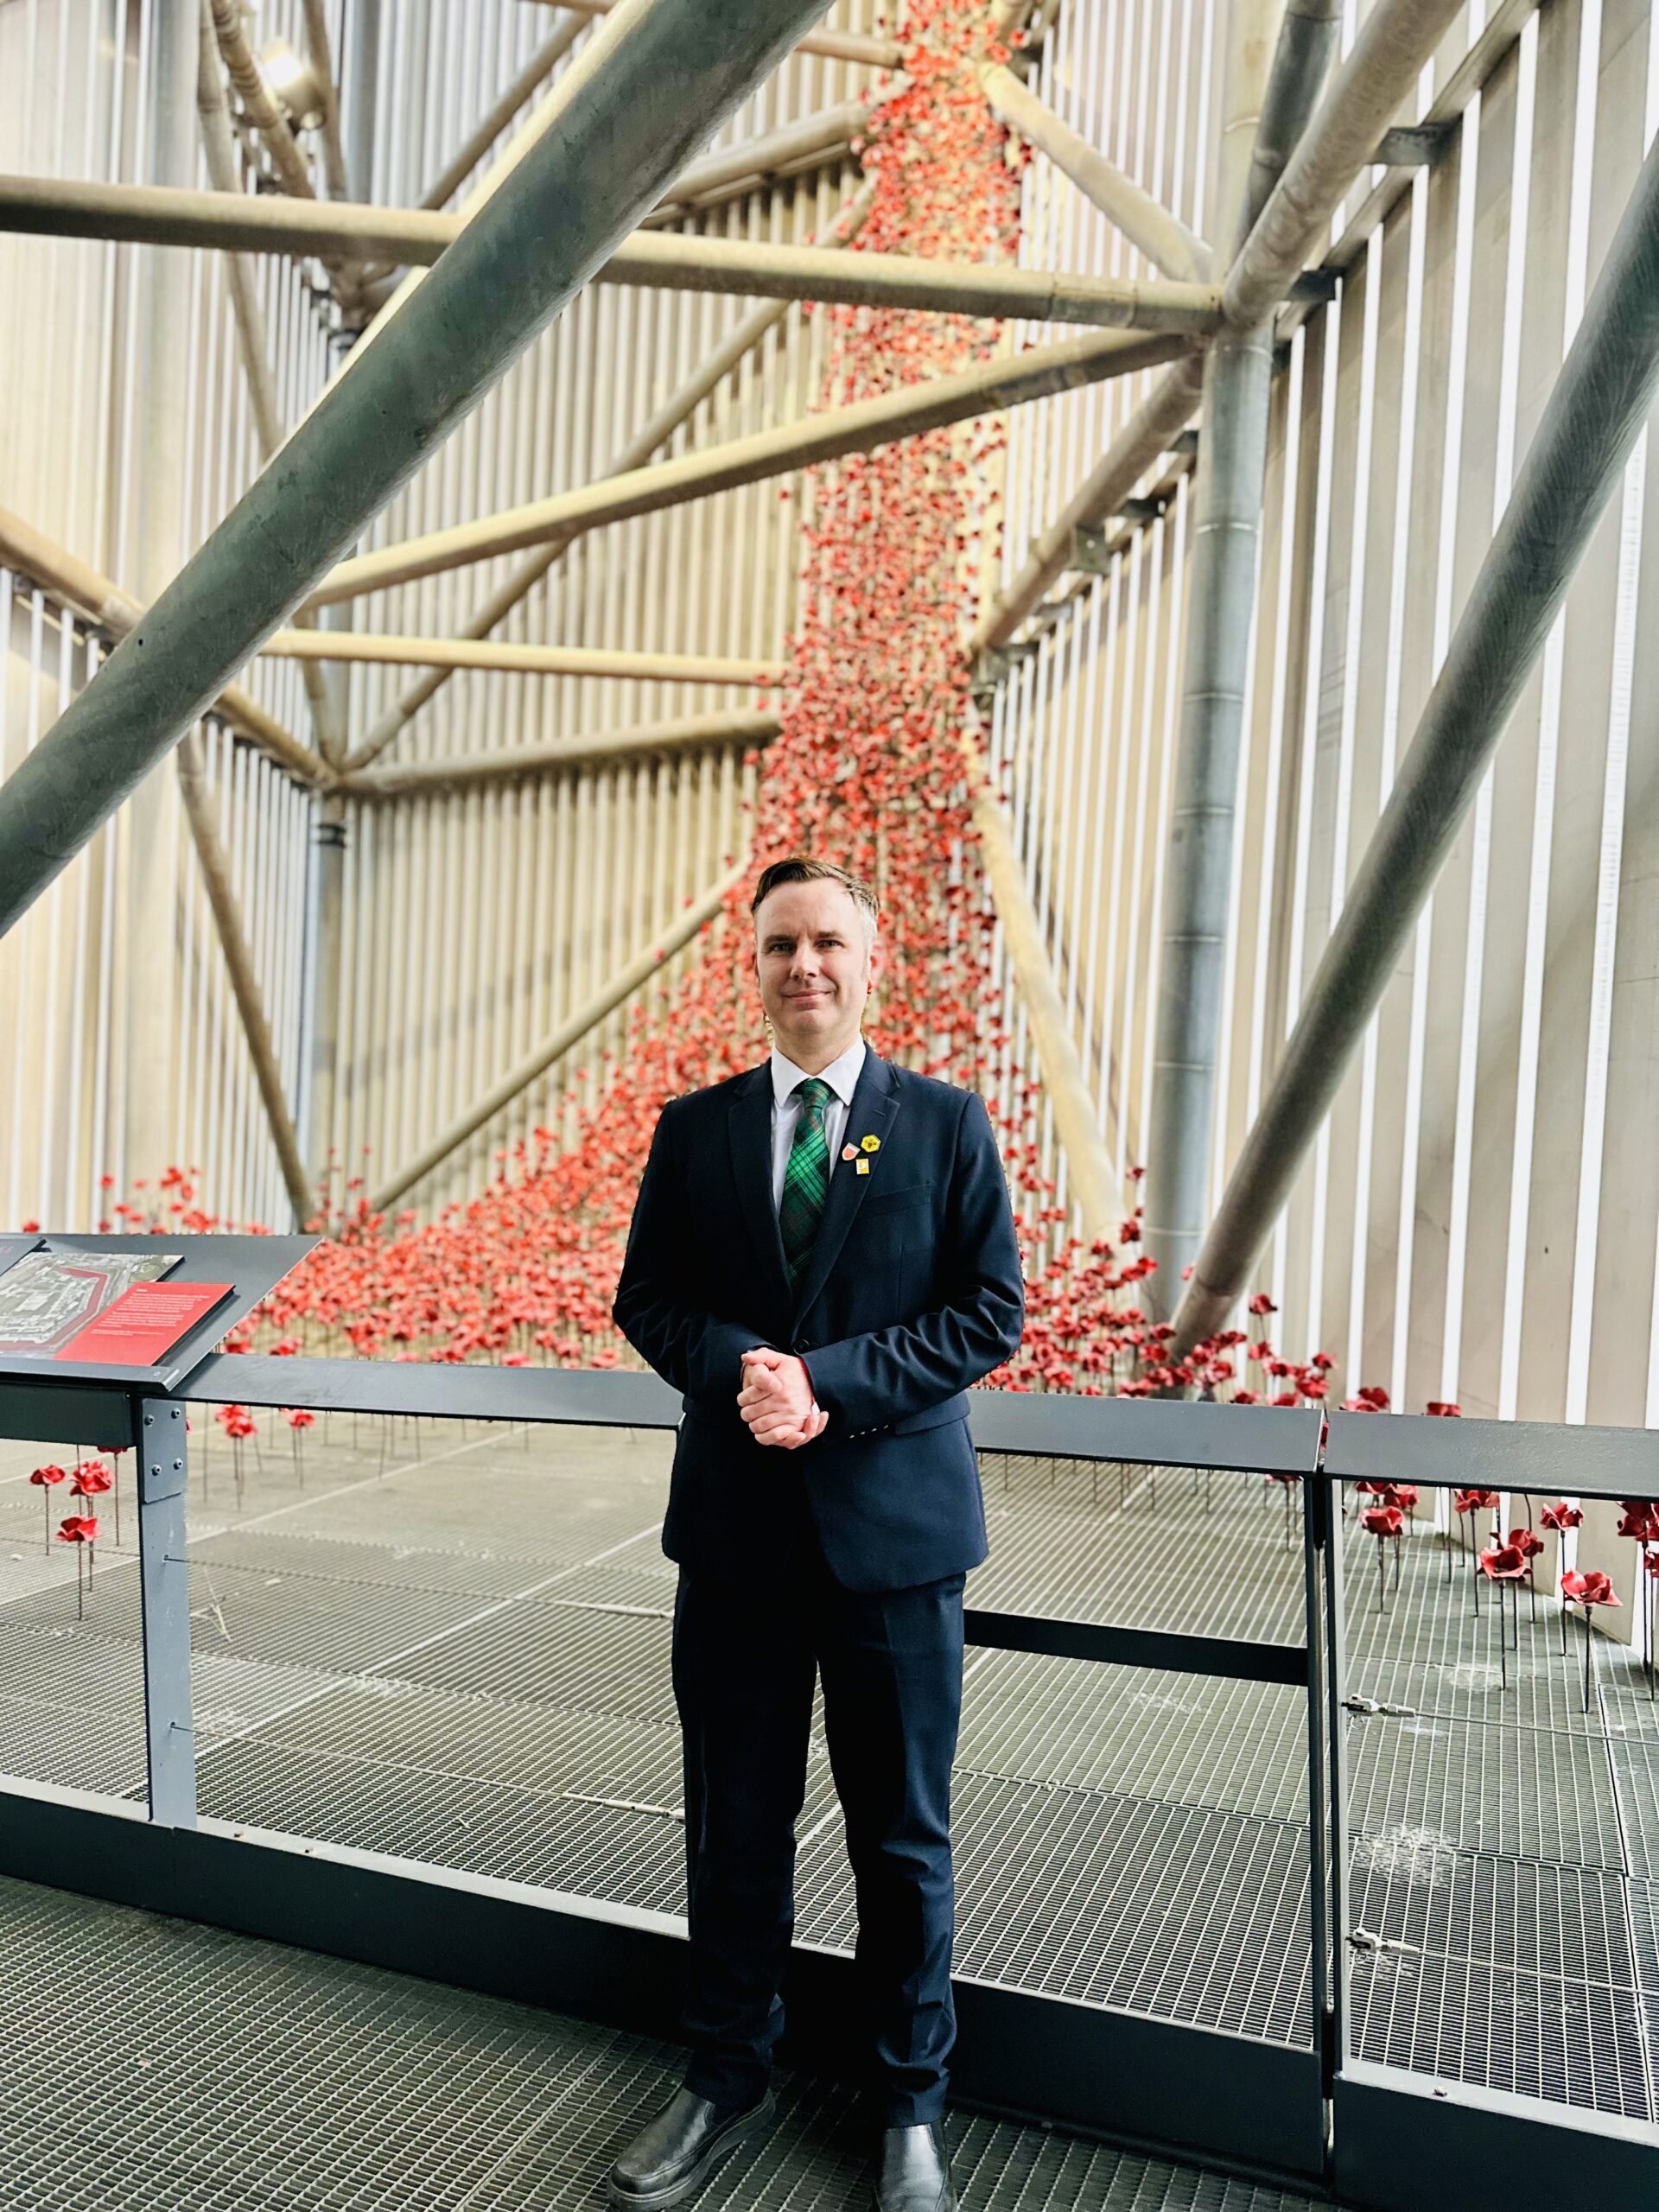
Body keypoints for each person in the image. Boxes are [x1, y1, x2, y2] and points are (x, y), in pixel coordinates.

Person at [607, 856, 1024, 2212]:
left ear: (871, 959)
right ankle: (722, 2077)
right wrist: (744, 1366)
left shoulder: (948, 1125)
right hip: (736, 1545)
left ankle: (910, 2105)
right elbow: (649, 1300)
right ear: (755, 965)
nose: (806, 967)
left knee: (901, 1838)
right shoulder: (696, 1131)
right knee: (735, 1826)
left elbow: (987, 1315)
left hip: (894, 1549)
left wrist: (825, 1386)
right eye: (782, 945)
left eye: (828, 942)